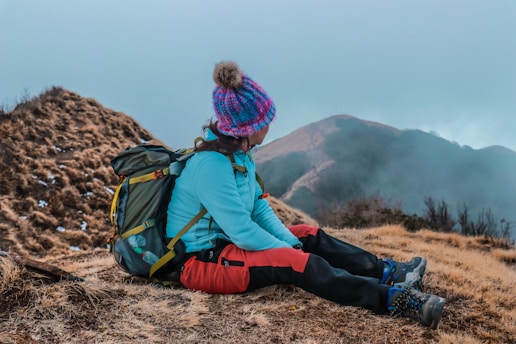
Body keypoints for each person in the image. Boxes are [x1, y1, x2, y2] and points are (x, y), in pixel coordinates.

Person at [166, 61, 446, 329]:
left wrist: (290, 241)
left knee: (306, 234)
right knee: (292, 261)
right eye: (265, 119)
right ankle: (394, 300)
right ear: (248, 127)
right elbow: (242, 231)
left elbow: (257, 209)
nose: (269, 124)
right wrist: (288, 251)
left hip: (226, 245)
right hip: (199, 262)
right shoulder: (211, 166)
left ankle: (391, 273)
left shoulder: (239, 155)